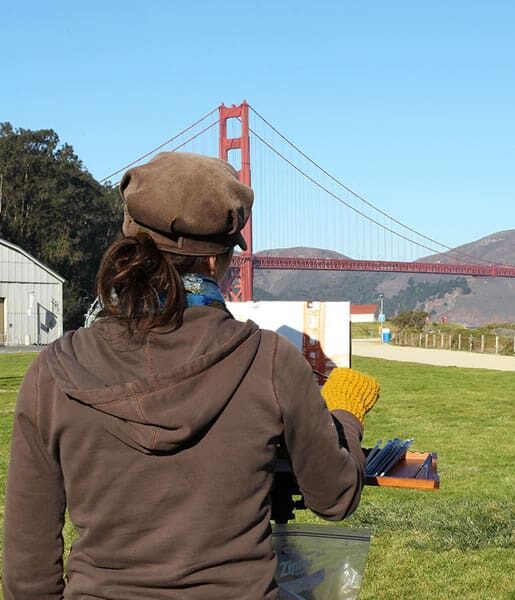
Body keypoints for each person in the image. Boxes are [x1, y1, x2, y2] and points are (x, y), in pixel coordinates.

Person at [2, 152, 380, 599]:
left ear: (131, 241)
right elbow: (335, 497)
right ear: (219, 262)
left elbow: (28, 569)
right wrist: (345, 414)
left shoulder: (53, 372)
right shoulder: (273, 362)